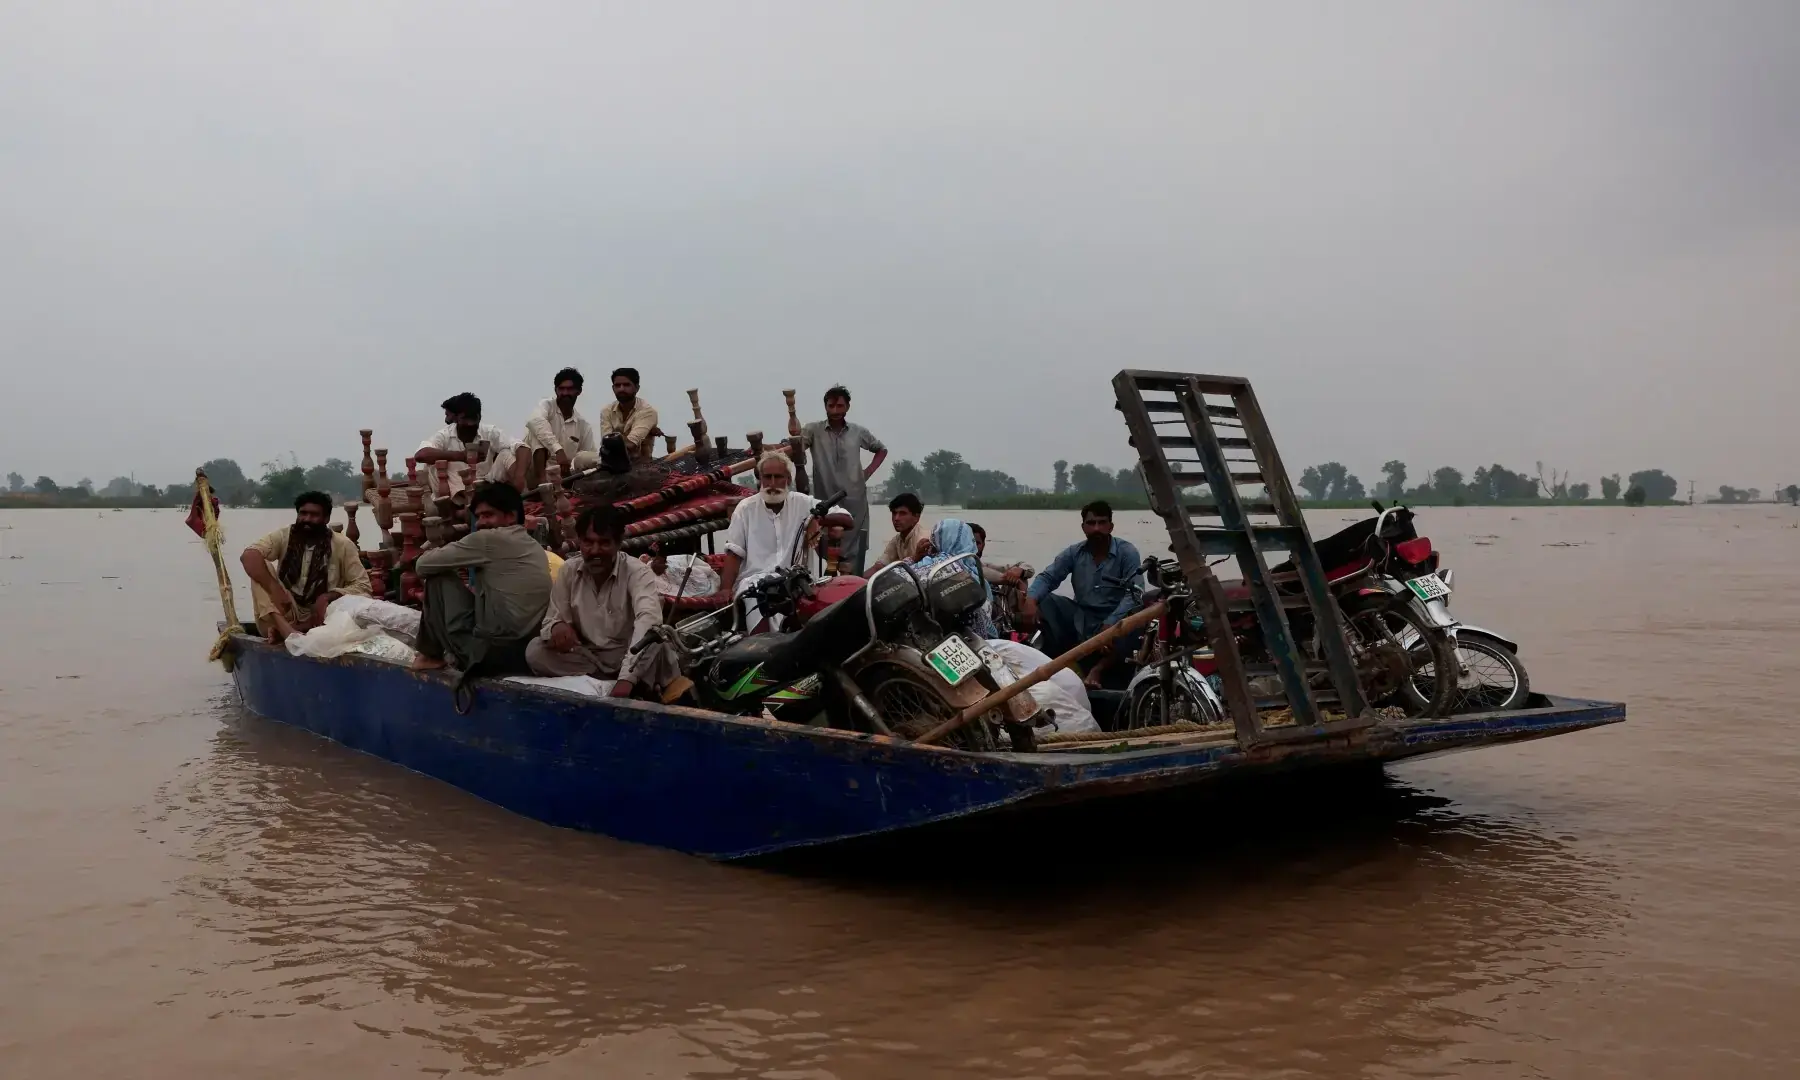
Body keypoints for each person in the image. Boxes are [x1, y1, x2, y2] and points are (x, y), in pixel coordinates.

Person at [525, 505, 684, 700]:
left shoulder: (637, 572)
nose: (595, 551)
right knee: (535, 651)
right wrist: (557, 627)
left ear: (618, 543)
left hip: (630, 655)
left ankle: (631, 683)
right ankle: (616, 684)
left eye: (604, 543)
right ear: (580, 542)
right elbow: (551, 620)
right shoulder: (569, 570)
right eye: (588, 543)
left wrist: (626, 679)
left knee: (655, 640)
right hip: (592, 658)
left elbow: (648, 622)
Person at [411, 483, 552, 675]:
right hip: (524, 652)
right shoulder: (532, 544)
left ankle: (430, 655)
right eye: (478, 517)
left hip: (494, 654)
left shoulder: (488, 539)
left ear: (510, 516)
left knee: (438, 578)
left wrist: (450, 551)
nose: (480, 523)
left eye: (488, 515)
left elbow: (423, 565)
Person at [1023, 500, 1144, 688]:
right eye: (1091, 523)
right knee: (1046, 601)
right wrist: (1030, 599)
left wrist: (1111, 624)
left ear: (1111, 526)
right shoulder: (1074, 552)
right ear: (1083, 527)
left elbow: (1135, 594)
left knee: (1135, 621)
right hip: (1083, 617)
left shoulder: (1127, 552)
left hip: (1116, 618)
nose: (1097, 528)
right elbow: (1048, 578)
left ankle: (1097, 671)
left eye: (1102, 523)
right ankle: (1050, 664)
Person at [239, 490, 371, 643]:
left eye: (314, 515)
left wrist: (328, 596)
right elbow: (248, 556)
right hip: (283, 612)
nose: (307, 519)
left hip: (323, 619)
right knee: (260, 568)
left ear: (326, 518)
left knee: (358, 602)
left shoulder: (343, 545)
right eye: (303, 513)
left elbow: (364, 587)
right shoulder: (284, 535)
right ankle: (286, 631)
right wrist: (276, 591)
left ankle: (295, 630)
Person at [718, 451, 820, 624]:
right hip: (755, 581)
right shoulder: (746, 509)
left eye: (778, 477)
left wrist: (816, 518)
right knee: (759, 596)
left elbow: (845, 517)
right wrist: (725, 589)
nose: (772, 483)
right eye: (767, 477)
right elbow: (734, 553)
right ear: (760, 480)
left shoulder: (804, 503)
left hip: (796, 580)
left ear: (788, 479)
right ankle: (761, 645)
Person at [800, 385, 887, 575]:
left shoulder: (857, 432)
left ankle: (852, 592)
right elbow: (797, 448)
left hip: (856, 502)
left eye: (840, 406)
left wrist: (868, 472)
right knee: (825, 551)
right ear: (825, 407)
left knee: (853, 559)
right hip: (825, 502)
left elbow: (881, 449)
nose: (835, 411)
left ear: (847, 407)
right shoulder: (813, 430)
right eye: (831, 406)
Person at [417, 392, 524, 495]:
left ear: (478, 418)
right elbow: (421, 455)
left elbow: (522, 448)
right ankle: (454, 509)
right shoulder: (444, 435)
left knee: (507, 453)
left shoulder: (489, 432)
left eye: (471, 420)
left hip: (484, 486)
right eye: (464, 420)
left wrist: (519, 476)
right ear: (456, 418)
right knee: (434, 464)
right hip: (455, 490)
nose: (468, 424)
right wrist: (461, 456)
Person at [906, 518, 997, 639]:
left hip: (927, 634)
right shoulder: (974, 571)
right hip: (973, 637)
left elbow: (899, 575)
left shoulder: (925, 563)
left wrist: (914, 558)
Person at [521, 367, 599, 486]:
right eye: (561, 389)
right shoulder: (547, 406)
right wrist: (558, 450)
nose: (565, 393)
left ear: (579, 391)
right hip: (534, 475)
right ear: (556, 390)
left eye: (570, 389)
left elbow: (585, 456)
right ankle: (543, 486)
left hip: (563, 478)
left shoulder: (583, 425)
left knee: (587, 458)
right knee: (536, 432)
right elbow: (534, 421)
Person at [598, 367, 661, 463]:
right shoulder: (606, 411)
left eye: (626, 385)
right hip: (610, 459)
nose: (621, 389)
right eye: (617, 385)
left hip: (637, 462)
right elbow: (606, 443)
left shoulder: (647, 411)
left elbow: (631, 445)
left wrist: (614, 439)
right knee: (581, 458)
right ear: (613, 388)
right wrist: (615, 442)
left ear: (637, 388)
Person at [869, 492, 929, 571]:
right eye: (894, 513)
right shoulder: (897, 540)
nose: (896, 518)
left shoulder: (922, 540)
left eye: (902, 513)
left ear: (916, 517)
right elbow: (879, 567)